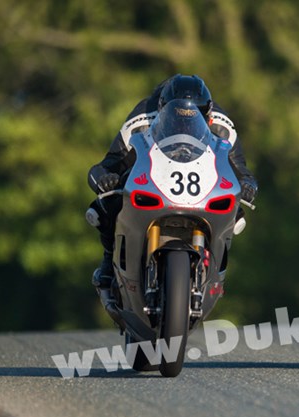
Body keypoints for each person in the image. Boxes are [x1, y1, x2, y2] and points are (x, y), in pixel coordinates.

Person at [87, 74, 258, 288]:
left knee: (237, 215)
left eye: (193, 118)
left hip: (201, 184)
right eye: (176, 117)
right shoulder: (141, 119)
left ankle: (213, 271)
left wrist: (248, 185)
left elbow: (240, 169)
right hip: (155, 178)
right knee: (106, 203)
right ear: (161, 109)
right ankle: (108, 260)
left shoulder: (223, 127)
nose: (185, 125)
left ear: (208, 116)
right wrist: (105, 178)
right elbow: (110, 163)